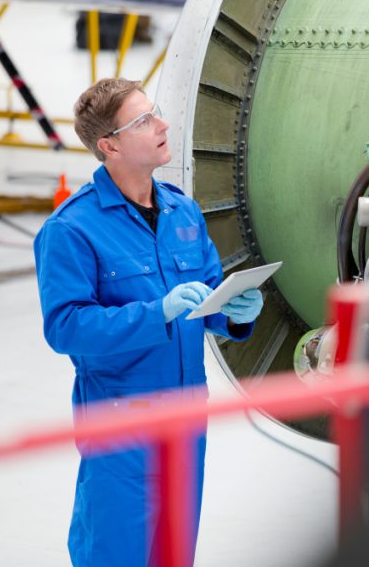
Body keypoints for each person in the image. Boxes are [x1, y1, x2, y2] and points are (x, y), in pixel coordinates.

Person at [34, 78, 263, 566]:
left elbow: (205, 295)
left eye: (155, 112)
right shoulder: (71, 229)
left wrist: (233, 313)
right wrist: (156, 312)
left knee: (174, 553)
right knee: (115, 553)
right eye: (142, 121)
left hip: (186, 418)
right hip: (122, 426)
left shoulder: (183, 210)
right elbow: (66, 327)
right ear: (109, 145)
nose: (162, 124)